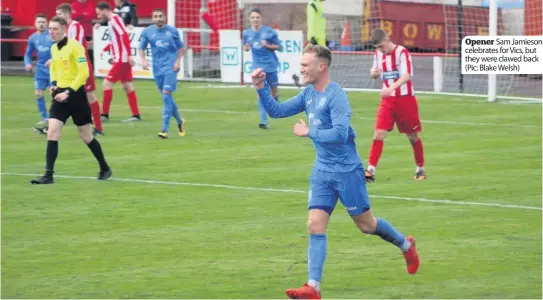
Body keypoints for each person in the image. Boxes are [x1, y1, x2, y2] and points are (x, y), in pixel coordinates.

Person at [251, 45, 420, 299]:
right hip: (322, 171)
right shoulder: (308, 94)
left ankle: (406, 245)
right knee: (314, 225)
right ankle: (313, 287)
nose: (301, 69)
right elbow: (276, 111)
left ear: (321, 66)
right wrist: (261, 87)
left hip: (347, 172)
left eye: (305, 65)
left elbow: (340, 135)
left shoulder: (336, 95)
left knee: (367, 225)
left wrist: (309, 132)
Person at [30, 16, 112, 185]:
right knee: (52, 132)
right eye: (50, 29)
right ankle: (48, 175)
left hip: (76, 96)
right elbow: (54, 68)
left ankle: (104, 167)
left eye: (55, 29)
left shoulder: (76, 47)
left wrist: (68, 91)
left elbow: (83, 73)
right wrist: (53, 85)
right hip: (60, 95)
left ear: (64, 30)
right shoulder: (54, 48)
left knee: (86, 136)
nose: (51, 32)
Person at [365, 29, 426, 182]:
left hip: (405, 99)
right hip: (387, 100)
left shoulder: (402, 52)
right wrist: (373, 74)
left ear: (387, 39)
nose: (380, 50)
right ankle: (370, 171)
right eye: (377, 48)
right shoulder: (378, 54)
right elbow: (374, 71)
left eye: (381, 46)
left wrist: (391, 88)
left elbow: (406, 75)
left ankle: (420, 168)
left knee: (412, 136)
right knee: (379, 133)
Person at [56, 3, 104, 135]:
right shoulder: (66, 30)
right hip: (73, 66)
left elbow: (75, 48)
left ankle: (98, 128)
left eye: (59, 14)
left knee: (89, 96)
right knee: (67, 94)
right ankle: (53, 124)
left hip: (81, 65)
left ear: (67, 14)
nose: (57, 17)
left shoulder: (75, 26)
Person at [138, 8, 186, 139]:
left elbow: (181, 48)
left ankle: (164, 129)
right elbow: (141, 48)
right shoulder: (148, 32)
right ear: (152, 19)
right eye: (155, 16)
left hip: (170, 67)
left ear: (164, 18)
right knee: (167, 98)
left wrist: (178, 61)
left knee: (166, 96)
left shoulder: (172, 31)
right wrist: (142, 60)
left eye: (160, 16)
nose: (158, 18)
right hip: (157, 68)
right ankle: (180, 121)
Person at [95, 1, 142, 122]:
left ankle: (104, 114)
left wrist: (129, 55)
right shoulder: (112, 21)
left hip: (122, 59)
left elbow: (124, 36)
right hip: (122, 58)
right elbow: (116, 39)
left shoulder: (115, 19)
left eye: (99, 13)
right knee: (127, 86)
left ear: (104, 10)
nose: (98, 16)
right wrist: (106, 49)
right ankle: (136, 115)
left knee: (106, 83)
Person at [243, 8, 282, 129]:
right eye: (253, 17)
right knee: (260, 93)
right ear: (249, 19)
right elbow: (245, 46)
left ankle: (278, 108)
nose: (255, 19)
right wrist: (246, 48)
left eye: (257, 17)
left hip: (270, 65)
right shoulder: (246, 33)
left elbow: (280, 47)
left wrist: (268, 45)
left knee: (274, 92)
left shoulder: (269, 32)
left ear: (261, 19)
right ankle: (264, 121)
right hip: (257, 67)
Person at [24, 13, 53, 131]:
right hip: (40, 70)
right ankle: (45, 118)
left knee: (54, 95)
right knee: (38, 94)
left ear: (47, 24)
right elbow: (28, 53)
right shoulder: (32, 38)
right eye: (39, 22)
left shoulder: (52, 36)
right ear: (35, 24)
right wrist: (28, 63)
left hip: (53, 69)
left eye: (43, 22)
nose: (41, 24)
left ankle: (54, 117)